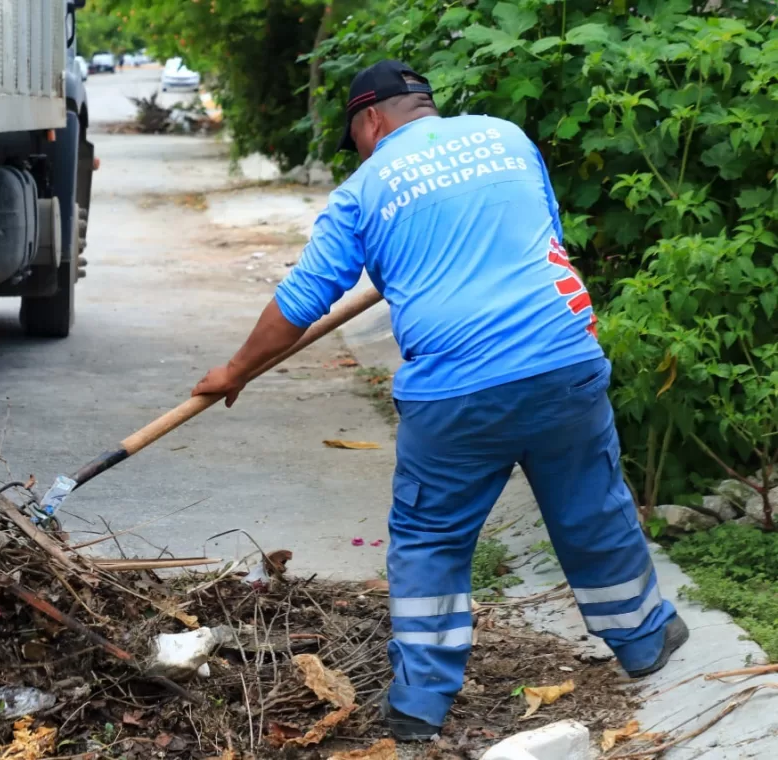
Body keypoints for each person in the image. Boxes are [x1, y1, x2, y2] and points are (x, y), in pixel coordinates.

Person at [190, 60, 688, 741]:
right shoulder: (508, 137)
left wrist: (236, 370)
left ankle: (420, 704)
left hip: (457, 395)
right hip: (561, 360)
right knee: (590, 506)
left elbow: (301, 302)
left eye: (356, 136)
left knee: (431, 539)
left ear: (370, 121)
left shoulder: (364, 191)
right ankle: (644, 638)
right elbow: (543, 237)